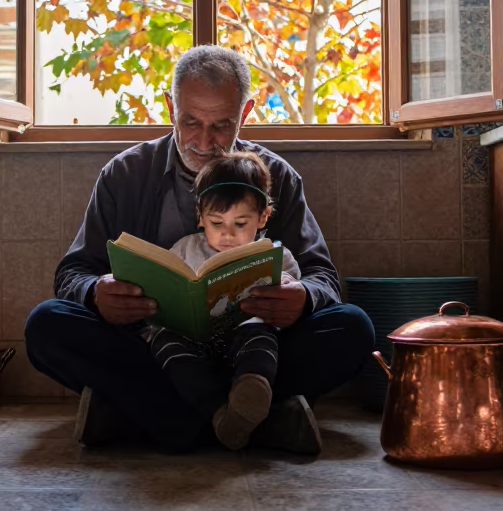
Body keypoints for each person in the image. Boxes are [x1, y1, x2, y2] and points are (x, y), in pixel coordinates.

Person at [24, 45, 375, 455]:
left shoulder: (277, 177)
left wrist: (302, 298)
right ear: (171, 107)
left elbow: (322, 276)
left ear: (245, 115)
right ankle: (260, 420)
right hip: (155, 350)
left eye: (222, 125)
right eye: (190, 121)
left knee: (352, 327)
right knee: (47, 325)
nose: (205, 141)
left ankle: (145, 417)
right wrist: (95, 292)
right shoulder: (124, 174)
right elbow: (73, 272)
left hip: (256, 348)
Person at [150, 151, 302, 451]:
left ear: (263, 217)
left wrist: (286, 287)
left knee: (262, 335)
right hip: (192, 341)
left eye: (241, 223)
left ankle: (252, 386)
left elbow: (292, 297)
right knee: (162, 341)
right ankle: (225, 414)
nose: (227, 234)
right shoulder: (184, 249)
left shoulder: (276, 256)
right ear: (200, 216)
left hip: (243, 336)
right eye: (216, 222)